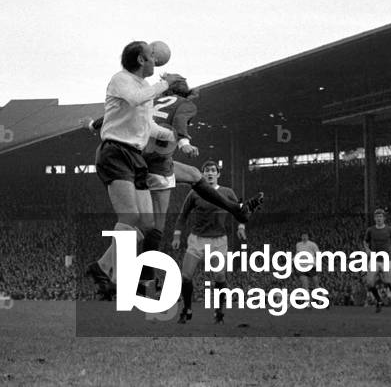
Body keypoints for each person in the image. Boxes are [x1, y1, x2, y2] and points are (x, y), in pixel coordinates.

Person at [85, 75, 263, 296]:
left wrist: (94, 124)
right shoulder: (185, 104)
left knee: (192, 174)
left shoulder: (149, 101)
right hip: (156, 165)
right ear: (185, 92)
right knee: (153, 228)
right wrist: (184, 142)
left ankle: (237, 210)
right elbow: (179, 123)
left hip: (138, 157)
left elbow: (119, 114)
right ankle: (142, 281)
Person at [171, 160, 246, 323]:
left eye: (213, 170)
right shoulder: (194, 192)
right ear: (202, 174)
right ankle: (187, 308)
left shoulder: (227, 192)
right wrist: (177, 236)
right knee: (185, 277)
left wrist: (241, 227)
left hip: (218, 241)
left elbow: (240, 211)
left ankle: (219, 311)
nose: (210, 173)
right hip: (197, 240)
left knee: (219, 276)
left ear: (218, 174)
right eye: (206, 171)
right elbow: (183, 215)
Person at [362, 209, 391, 313]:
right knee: (370, 284)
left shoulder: (390, 230)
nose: (379, 218)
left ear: (384, 218)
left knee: (388, 281)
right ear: (374, 218)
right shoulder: (370, 230)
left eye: (380, 217)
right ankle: (379, 301)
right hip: (374, 259)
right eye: (377, 217)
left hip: (387, 260)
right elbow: (365, 242)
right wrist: (367, 250)